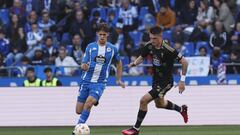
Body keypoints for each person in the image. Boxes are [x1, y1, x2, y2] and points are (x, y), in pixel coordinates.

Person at [122, 26, 189, 135]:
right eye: (151, 38)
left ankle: (135, 129)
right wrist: (134, 64)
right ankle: (181, 110)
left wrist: (182, 81)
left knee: (143, 100)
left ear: (160, 37)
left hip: (166, 82)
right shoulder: (149, 46)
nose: (152, 41)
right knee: (160, 104)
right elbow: (142, 57)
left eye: (154, 38)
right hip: (156, 80)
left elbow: (185, 62)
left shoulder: (168, 49)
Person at [72, 23, 125, 135]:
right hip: (86, 81)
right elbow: (83, 63)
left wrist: (118, 79)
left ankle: (76, 130)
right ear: (97, 34)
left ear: (108, 35)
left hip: (100, 83)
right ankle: (94, 100)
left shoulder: (112, 49)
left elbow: (119, 63)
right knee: (78, 110)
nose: (102, 37)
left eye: (104, 35)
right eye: (100, 34)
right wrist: (84, 66)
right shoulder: (90, 47)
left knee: (88, 103)